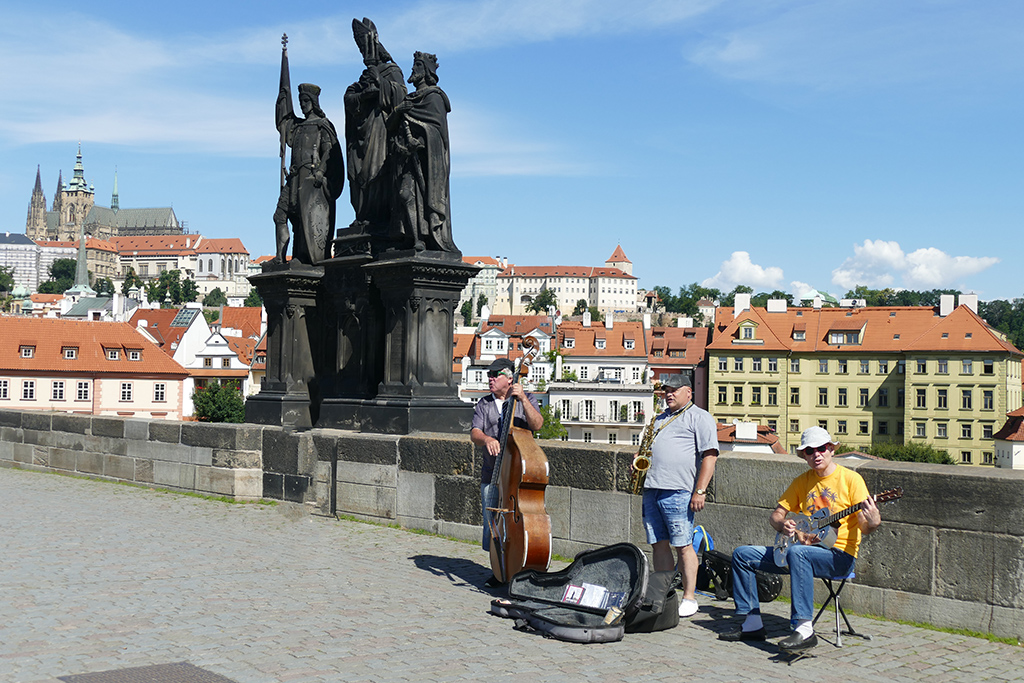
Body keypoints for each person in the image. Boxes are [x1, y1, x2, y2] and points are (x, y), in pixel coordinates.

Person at [718, 426, 881, 653]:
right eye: (809, 451)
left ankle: (804, 629)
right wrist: (782, 525)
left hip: (839, 555)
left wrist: (873, 521)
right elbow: (776, 515)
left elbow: (865, 527)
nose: (816, 454)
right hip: (801, 552)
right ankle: (752, 623)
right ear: (803, 456)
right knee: (742, 555)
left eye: (822, 449)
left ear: (831, 449)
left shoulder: (851, 480)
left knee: (797, 553)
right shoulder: (801, 481)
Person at [639, 374, 719, 618]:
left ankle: (689, 596)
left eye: (674, 390)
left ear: (688, 392)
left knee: (683, 545)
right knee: (658, 543)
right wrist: (638, 460)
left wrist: (700, 490)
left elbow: (710, 455)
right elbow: (647, 450)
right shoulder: (659, 420)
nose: (669, 394)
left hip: (680, 490)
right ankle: (665, 593)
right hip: (652, 487)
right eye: (666, 390)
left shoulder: (700, 417)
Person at [470, 358, 544, 586]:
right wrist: (487, 438)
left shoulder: (525, 399)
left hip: (517, 476)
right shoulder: (484, 403)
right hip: (492, 474)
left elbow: (538, 424)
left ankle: (519, 566)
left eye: (495, 375)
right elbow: (474, 432)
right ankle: (498, 569)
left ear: (510, 378)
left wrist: (522, 398)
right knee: (492, 524)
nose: (490, 379)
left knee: (517, 525)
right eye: (489, 375)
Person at [274, 45, 344, 265]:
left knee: (304, 221)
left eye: (306, 102)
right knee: (281, 216)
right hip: (294, 177)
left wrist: (321, 173)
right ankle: (279, 257)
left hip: (310, 179)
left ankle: (302, 258)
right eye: (301, 102)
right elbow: (284, 120)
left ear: (313, 102)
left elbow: (329, 153)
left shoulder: (322, 125)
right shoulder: (298, 126)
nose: (303, 106)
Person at [386, 51, 457, 252]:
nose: (413, 70)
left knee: (418, 197)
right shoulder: (408, 100)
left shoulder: (434, 97)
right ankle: (413, 237)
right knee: (405, 195)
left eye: (417, 66)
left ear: (425, 71)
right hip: (406, 158)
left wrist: (422, 140)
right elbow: (390, 126)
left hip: (426, 162)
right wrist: (399, 110)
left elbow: (438, 132)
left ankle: (424, 238)